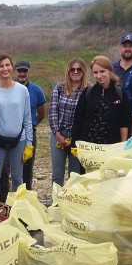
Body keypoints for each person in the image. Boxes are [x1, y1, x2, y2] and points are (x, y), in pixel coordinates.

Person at [0, 54, 33, 199]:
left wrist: (29, 144)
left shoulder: (22, 91)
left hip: (19, 140)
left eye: (7, 65)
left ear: (12, 67)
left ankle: (18, 210)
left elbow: (27, 118)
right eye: (1, 66)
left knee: (18, 177)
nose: (5, 68)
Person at [0, 60, 46, 194]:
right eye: (19, 71)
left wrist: (33, 124)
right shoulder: (6, 88)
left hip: (28, 134)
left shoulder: (37, 90)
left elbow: (42, 111)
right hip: (9, 135)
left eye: (25, 71)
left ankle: (25, 197)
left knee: (27, 168)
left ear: (29, 73)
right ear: (15, 72)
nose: (22, 74)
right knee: (5, 168)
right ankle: (4, 198)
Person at [71, 56, 130, 149]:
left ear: (109, 71)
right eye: (95, 72)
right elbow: (78, 120)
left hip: (112, 146)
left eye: (102, 71)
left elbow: (124, 122)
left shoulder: (120, 93)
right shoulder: (88, 92)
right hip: (88, 146)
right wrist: (74, 144)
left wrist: (123, 145)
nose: (99, 75)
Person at [48, 58, 88, 186]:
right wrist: (57, 133)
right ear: (68, 71)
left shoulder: (89, 90)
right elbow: (53, 111)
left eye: (79, 69)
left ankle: (71, 203)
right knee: (57, 175)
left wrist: (77, 137)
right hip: (59, 134)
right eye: (72, 69)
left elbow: (88, 117)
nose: (75, 72)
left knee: (75, 175)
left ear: (84, 72)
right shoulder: (60, 87)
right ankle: (56, 202)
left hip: (78, 137)